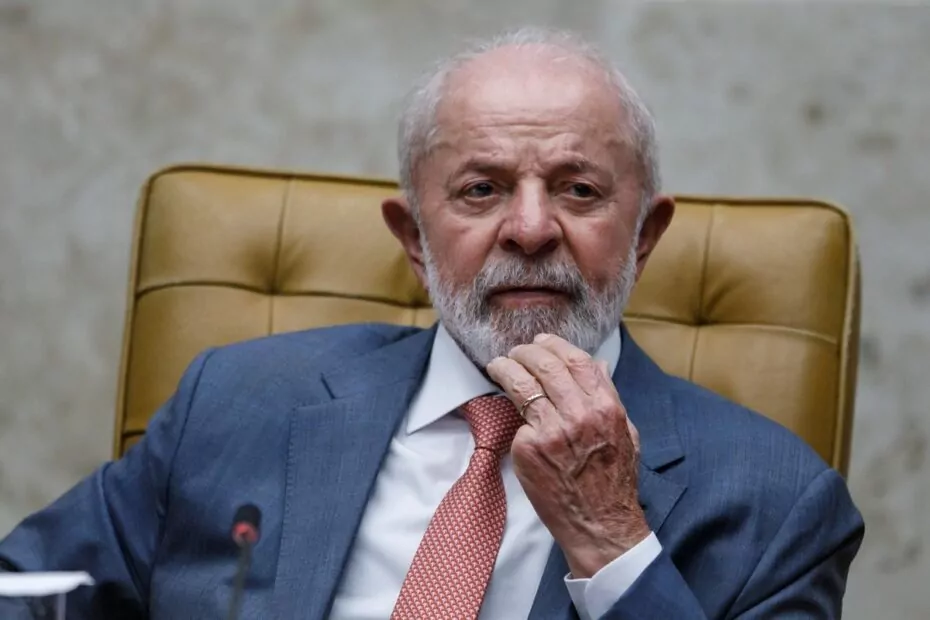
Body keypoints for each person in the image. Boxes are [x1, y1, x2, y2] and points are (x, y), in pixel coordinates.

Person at [0, 27, 863, 620]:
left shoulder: (780, 505)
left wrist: (611, 540)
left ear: (645, 235)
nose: (531, 229)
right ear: (414, 239)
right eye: (481, 190)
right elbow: (29, 590)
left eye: (579, 190)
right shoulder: (235, 402)